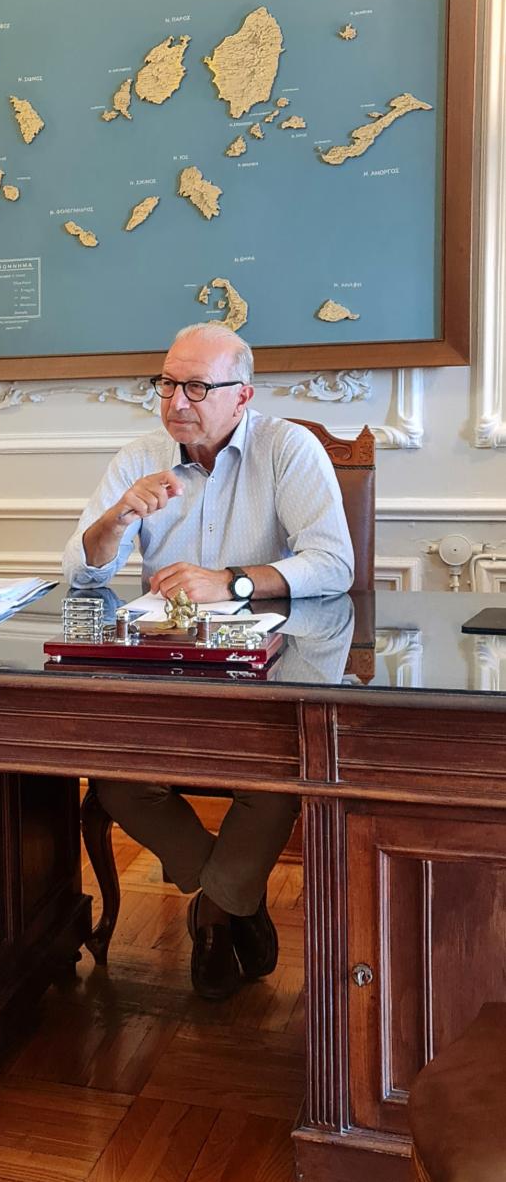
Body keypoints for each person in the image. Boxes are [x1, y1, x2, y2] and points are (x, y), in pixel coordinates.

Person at [62, 322, 353, 1000]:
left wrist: (233, 581)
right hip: (164, 677)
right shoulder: (140, 457)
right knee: (117, 780)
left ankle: (216, 914)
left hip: (269, 675)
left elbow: (334, 563)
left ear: (242, 395)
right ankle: (231, 898)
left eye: (196, 387)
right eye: (167, 384)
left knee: (276, 780)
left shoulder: (288, 449)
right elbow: (81, 574)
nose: (176, 402)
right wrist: (115, 519)